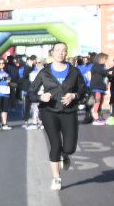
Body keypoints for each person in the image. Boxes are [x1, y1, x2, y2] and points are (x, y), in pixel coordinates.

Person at [28, 42, 87, 191]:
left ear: (66, 53)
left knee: (69, 148)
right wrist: (41, 97)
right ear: (52, 53)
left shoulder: (74, 71)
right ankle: (56, 178)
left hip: (69, 112)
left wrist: (74, 95)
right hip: (49, 112)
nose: (61, 53)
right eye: (58, 50)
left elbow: (84, 91)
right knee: (55, 144)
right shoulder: (44, 72)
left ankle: (65, 155)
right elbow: (30, 93)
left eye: (64, 50)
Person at [0, 55, 16, 130]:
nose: (1, 65)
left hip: (6, 92)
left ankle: (4, 123)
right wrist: (1, 79)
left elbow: (9, 80)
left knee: (5, 109)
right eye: (0, 63)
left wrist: (8, 80)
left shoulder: (7, 72)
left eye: (3, 63)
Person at [88, 53, 108, 125]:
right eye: (105, 59)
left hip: (100, 87)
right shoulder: (96, 66)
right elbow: (105, 72)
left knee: (100, 102)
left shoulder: (100, 66)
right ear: (101, 59)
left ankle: (99, 117)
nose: (106, 61)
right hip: (97, 88)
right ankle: (96, 119)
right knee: (97, 102)